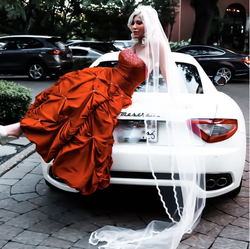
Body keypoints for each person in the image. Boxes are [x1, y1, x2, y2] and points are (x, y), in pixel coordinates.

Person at [1, 5, 206, 248]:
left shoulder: (157, 46)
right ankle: (18, 128)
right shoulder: (135, 46)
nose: (134, 26)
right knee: (64, 94)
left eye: (139, 22)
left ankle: (16, 130)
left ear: (150, 25)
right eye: (133, 21)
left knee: (79, 102)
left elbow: (169, 78)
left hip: (116, 92)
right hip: (104, 79)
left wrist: (180, 105)